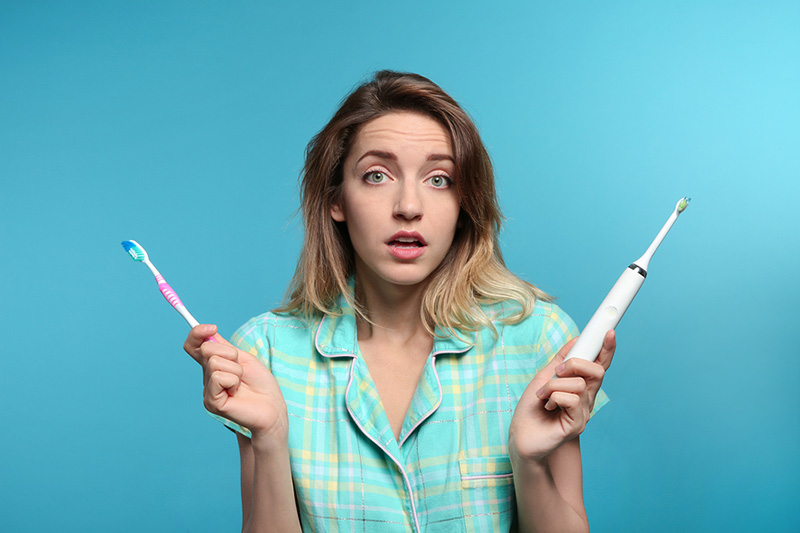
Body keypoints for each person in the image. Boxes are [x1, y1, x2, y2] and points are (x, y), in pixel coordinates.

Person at [184, 70, 615, 532]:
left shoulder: (537, 338)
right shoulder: (266, 352)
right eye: (376, 175)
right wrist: (269, 439)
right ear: (336, 199)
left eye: (438, 179)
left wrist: (529, 461)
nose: (409, 205)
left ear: (464, 201)